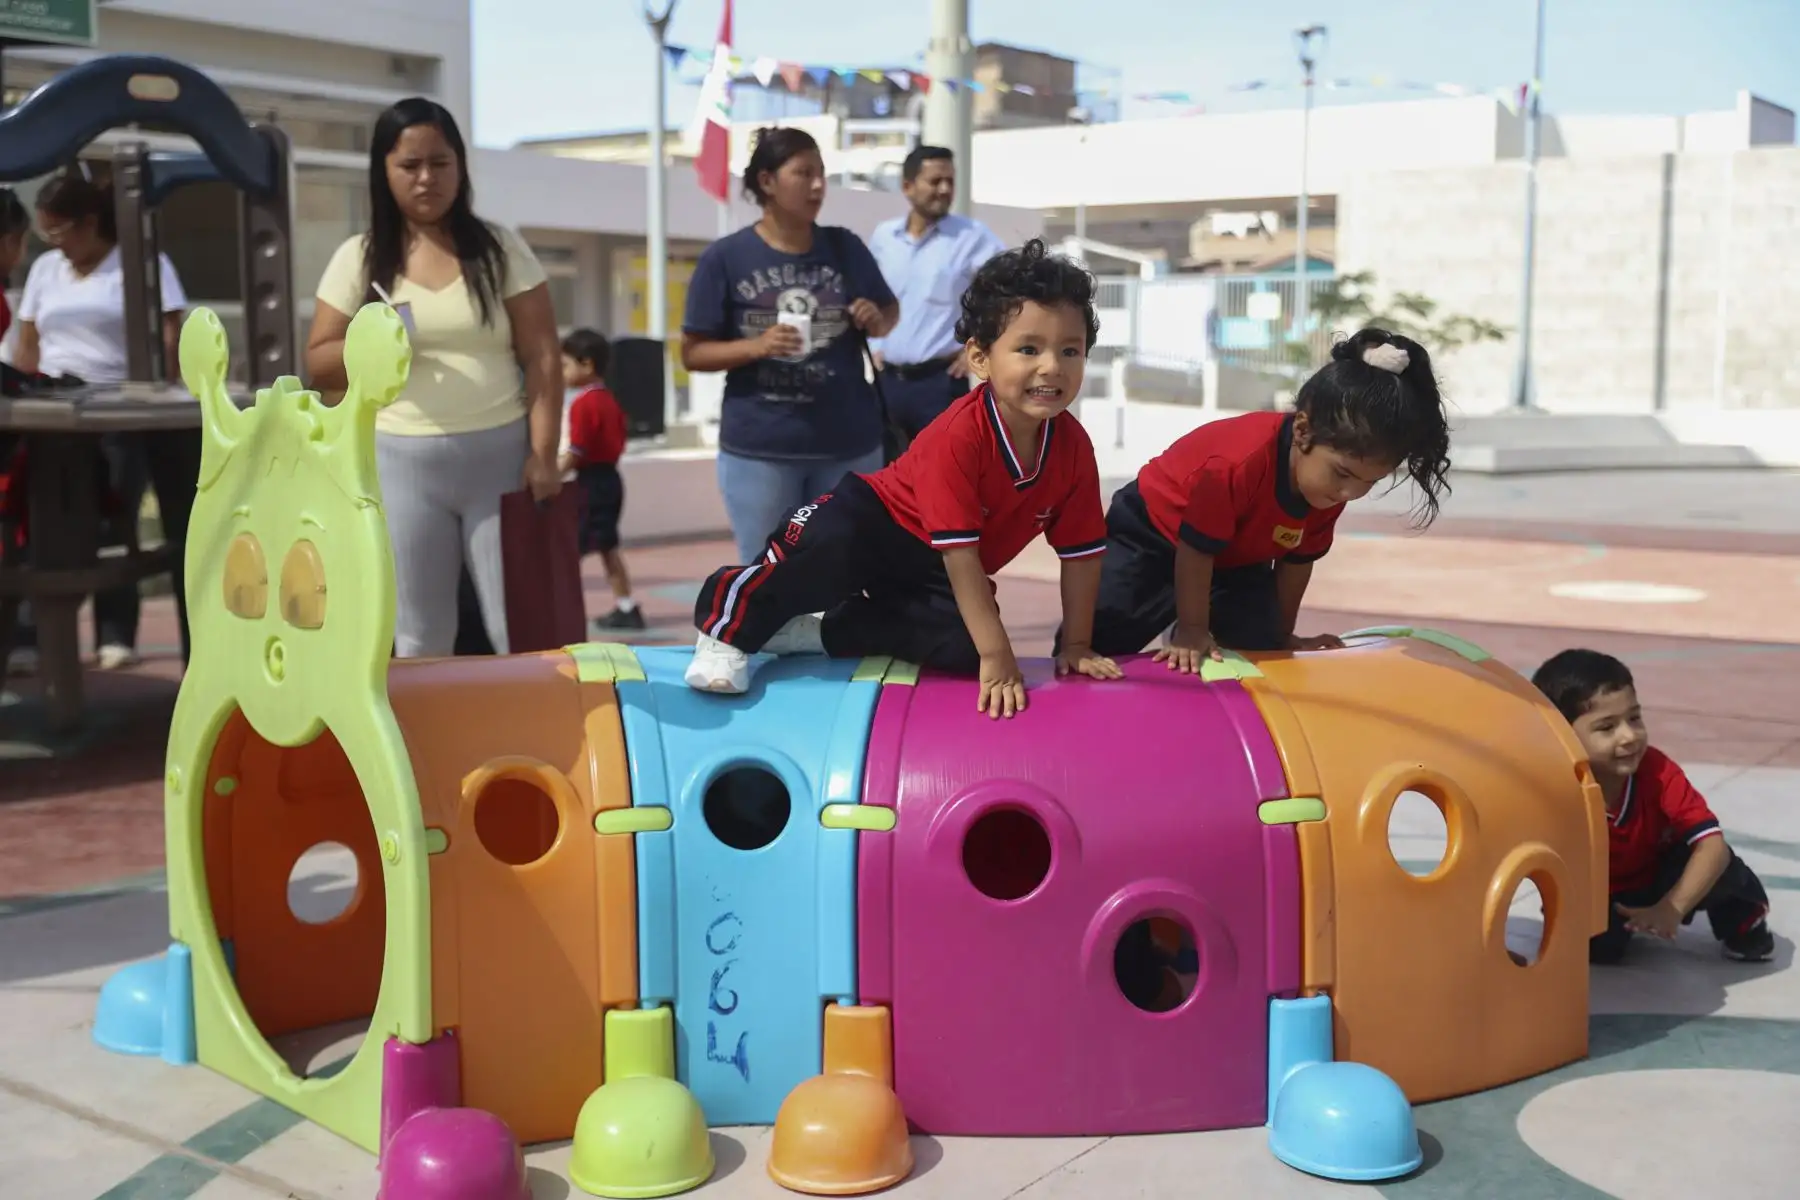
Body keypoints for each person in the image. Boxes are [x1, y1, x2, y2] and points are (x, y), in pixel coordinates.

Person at [685, 239, 1123, 718]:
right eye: (1028, 348)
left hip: (929, 565)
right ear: (979, 358)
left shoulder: (1073, 448)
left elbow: (1080, 554)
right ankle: (726, 622)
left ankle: (814, 633)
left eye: (1070, 350)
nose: (1052, 367)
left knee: (961, 645)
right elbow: (963, 555)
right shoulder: (959, 436)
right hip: (876, 521)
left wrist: (1078, 644)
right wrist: (999, 659)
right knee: (826, 554)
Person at [305, 97, 563, 658]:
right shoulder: (360, 257)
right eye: (409, 165)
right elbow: (317, 361)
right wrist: (371, 340)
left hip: (500, 459)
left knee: (516, 630)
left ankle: (537, 741)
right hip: (399, 461)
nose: (427, 179)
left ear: (460, 167)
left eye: (440, 163)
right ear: (384, 172)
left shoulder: (500, 249)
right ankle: (429, 746)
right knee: (420, 634)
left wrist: (543, 452)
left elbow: (543, 353)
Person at [1075, 328, 1452, 669]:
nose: (1349, 493)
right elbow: (1195, 549)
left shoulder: (1326, 487)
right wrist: (1192, 630)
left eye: (1369, 483)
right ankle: (1173, 621)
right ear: (1303, 432)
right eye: (1343, 474)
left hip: (1236, 553)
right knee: (1100, 638)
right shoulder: (1239, 463)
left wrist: (1282, 636)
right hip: (1155, 534)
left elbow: (1297, 561)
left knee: (1258, 644)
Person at [680, 126, 900, 566]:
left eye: (821, 173)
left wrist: (876, 319)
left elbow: (888, 311)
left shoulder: (845, 247)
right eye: (803, 173)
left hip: (849, 444)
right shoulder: (726, 258)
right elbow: (693, 352)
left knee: (844, 571)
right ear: (767, 181)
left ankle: (837, 640)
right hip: (761, 450)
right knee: (765, 575)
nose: (818, 185)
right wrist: (756, 347)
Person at [11, 167, 190, 673]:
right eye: (47, 235)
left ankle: (116, 631)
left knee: (115, 515)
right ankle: (32, 635)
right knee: (37, 523)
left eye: (62, 232)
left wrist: (160, 392)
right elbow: (29, 340)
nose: (55, 244)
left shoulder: (142, 262)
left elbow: (170, 331)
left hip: (116, 408)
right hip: (51, 408)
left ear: (90, 223)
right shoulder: (47, 270)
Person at [1531, 649, 1775, 964]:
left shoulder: (1657, 771)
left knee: (1720, 866)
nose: (1629, 736)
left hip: (1661, 873)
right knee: (1600, 953)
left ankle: (1743, 921)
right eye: (1607, 727)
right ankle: (1626, 923)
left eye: (1634, 717)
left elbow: (1712, 845)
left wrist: (1672, 906)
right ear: (1559, 734)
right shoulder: (1550, 786)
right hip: (1604, 890)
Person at [867, 145, 1006, 441]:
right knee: (882, 481)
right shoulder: (884, 237)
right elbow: (870, 294)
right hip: (885, 382)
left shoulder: (973, 237)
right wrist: (874, 341)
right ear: (907, 186)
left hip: (940, 385)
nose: (944, 189)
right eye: (935, 181)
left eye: (950, 182)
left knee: (940, 480)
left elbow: (1011, 292)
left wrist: (982, 342)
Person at [556, 328, 640, 633]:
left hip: (591, 483)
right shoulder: (610, 401)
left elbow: (576, 449)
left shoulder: (583, 404)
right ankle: (625, 605)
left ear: (587, 365)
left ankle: (562, 609)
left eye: (565, 365)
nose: (561, 372)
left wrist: (552, 476)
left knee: (570, 549)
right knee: (607, 546)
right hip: (610, 480)